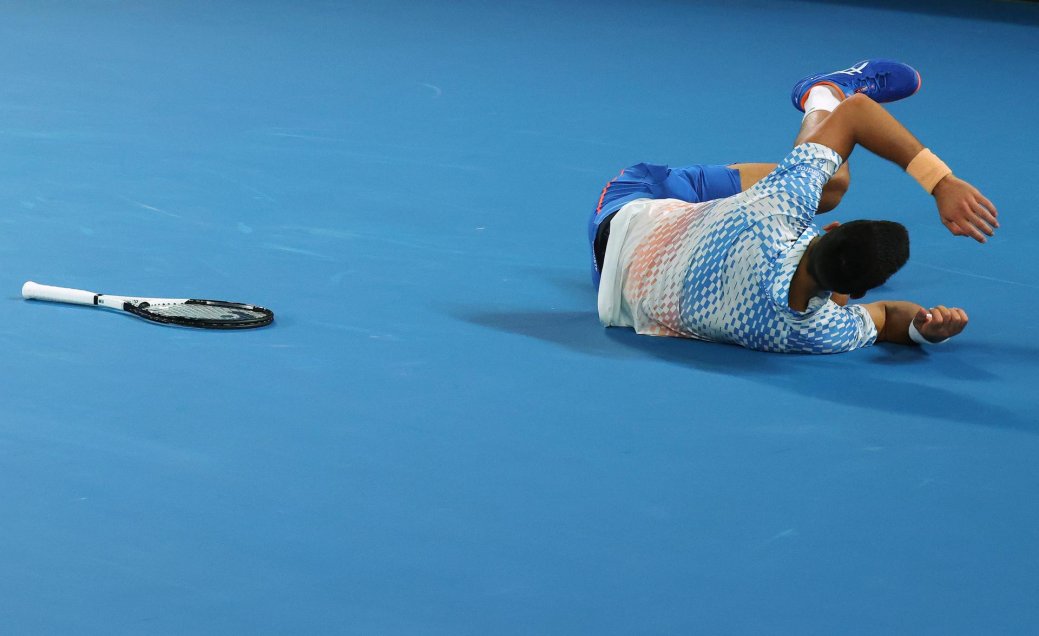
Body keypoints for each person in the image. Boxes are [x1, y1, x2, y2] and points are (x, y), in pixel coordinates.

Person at [588, 59, 998, 353]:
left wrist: (941, 182)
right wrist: (926, 331)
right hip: (612, 288)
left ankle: (823, 93)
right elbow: (891, 320)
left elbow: (857, 115)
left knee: (833, 182)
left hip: (627, 204)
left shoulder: (775, 211)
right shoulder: (815, 333)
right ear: (853, 291)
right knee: (828, 186)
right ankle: (821, 91)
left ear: (832, 230)